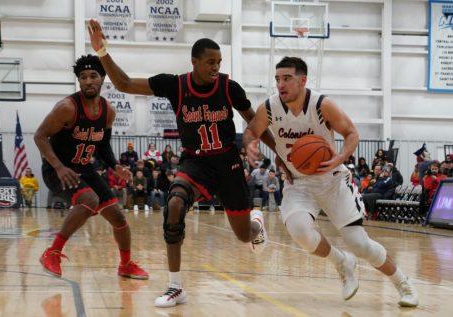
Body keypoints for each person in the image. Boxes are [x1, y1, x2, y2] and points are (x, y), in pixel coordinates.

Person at [88, 20, 286, 307]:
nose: (215, 66)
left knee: (244, 236)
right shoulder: (175, 85)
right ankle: (175, 287)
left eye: (218, 61)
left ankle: (256, 223)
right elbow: (125, 83)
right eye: (209, 62)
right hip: (195, 163)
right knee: (174, 204)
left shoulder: (229, 87)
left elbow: (254, 121)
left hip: (228, 164)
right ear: (194, 62)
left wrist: (278, 152)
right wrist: (103, 51)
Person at [243, 56, 418, 307]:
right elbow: (252, 129)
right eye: (277, 79)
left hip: (333, 180)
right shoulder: (270, 107)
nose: (281, 84)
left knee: (359, 243)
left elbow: (352, 133)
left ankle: (403, 282)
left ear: (303, 80)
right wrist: (251, 142)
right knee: (301, 233)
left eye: (287, 78)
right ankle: (342, 262)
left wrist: (339, 158)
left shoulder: (322, 105)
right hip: (298, 183)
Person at [34, 54, 148, 280]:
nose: (88, 81)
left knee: (118, 218)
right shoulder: (67, 107)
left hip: (84, 168)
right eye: (83, 77)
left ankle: (126, 265)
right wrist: (58, 167)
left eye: (93, 76)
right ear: (79, 81)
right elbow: (39, 136)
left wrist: (115, 166)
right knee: (90, 200)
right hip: (58, 171)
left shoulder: (108, 112)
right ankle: (52, 252)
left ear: (103, 78)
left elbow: (103, 145)